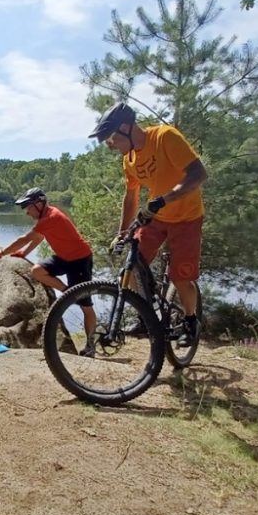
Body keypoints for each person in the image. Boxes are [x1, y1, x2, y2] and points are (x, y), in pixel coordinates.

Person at [89, 102, 207, 347]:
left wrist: (165, 198)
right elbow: (131, 197)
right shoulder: (129, 159)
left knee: (180, 277)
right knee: (131, 267)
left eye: (112, 138)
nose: (111, 146)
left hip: (187, 217)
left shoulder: (165, 137)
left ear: (126, 127)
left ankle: (190, 321)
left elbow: (198, 174)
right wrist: (121, 233)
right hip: (157, 218)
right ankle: (146, 313)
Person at [0, 187, 97, 356]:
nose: (27, 212)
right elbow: (39, 237)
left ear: (39, 204)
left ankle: (90, 345)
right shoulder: (46, 217)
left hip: (80, 260)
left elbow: (24, 239)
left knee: (85, 307)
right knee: (37, 271)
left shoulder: (51, 217)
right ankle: (68, 293)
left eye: (28, 207)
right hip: (64, 258)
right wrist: (24, 253)